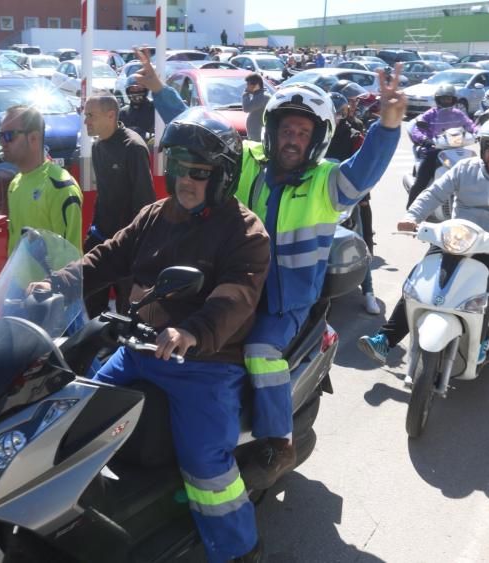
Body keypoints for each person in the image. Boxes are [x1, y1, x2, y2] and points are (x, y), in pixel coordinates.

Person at [133, 48, 404, 488]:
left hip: (284, 303)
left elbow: (364, 171)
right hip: (233, 285)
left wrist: (387, 126)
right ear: (272, 131)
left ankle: (278, 442)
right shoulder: (247, 162)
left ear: (315, 138)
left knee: (260, 354)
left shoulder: (327, 182)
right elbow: (201, 134)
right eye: (286, 129)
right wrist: (162, 92)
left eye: (302, 131)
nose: (292, 138)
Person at [43, 107, 269, 563]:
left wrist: (192, 331)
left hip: (203, 363)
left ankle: (239, 549)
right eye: (178, 168)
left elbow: (236, 297)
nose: (184, 179)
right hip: (139, 348)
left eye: (199, 171)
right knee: (67, 415)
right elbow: (108, 256)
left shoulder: (245, 232)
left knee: (207, 465)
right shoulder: (155, 215)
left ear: (223, 175)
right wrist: (58, 282)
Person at [358, 114, 489, 366]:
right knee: (419, 280)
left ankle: (482, 339)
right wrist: (412, 216)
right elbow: (434, 193)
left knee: (485, 290)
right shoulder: (466, 168)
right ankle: (385, 339)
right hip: (456, 238)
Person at [83, 95, 156, 315]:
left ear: (111, 115)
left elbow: (146, 203)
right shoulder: (97, 146)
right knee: (91, 299)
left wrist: (138, 251)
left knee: (127, 311)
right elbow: (104, 194)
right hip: (100, 237)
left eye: (90, 116)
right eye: (85, 115)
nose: (86, 121)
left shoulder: (133, 147)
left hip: (127, 246)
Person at [0, 105, 83, 253]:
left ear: (34, 138)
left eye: (9, 136)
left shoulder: (61, 187)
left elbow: (71, 259)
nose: (2, 142)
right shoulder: (15, 183)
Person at [326, 90, 379, 314]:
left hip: (348, 196)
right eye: (333, 113)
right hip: (319, 193)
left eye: (339, 113)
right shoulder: (319, 132)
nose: (336, 117)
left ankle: (368, 291)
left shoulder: (354, 134)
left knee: (356, 240)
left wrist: (362, 196)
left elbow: (364, 170)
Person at [406, 83, 476, 207]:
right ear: (438, 99)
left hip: (456, 148)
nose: (446, 101)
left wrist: (479, 132)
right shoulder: (430, 113)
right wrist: (424, 139)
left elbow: (470, 125)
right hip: (435, 149)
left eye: (448, 98)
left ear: (453, 100)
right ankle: (411, 209)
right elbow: (417, 128)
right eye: (443, 98)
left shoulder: (458, 113)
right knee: (422, 181)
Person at [241, 73, 270, 142]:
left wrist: (245, 94)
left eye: (248, 85)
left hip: (258, 135)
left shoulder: (262, 97)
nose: (246, 87)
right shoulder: (258, 95)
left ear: (256, 85)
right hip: (255, 134)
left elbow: (246, 108)